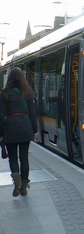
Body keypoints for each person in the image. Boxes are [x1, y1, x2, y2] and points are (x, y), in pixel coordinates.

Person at [0, 67, 37, 197]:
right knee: (24, 157)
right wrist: (35, 130)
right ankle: (24, 186)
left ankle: (16, 182)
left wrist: (1, 133)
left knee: (13, 157)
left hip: (10, 128)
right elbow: (33, 113)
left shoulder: (4, 93)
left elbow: (1, 115)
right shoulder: (28, 92)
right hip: (25, 127)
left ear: (9, 79)